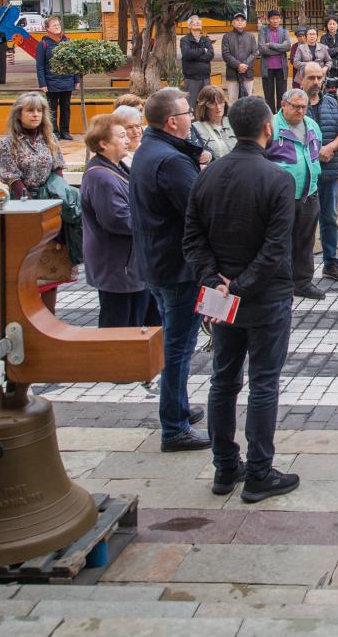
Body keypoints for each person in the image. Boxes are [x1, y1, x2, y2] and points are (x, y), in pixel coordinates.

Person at [183, 95, 301, 502]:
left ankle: (224, 466)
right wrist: (238, 285)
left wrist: (215, 282)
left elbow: (193, 239)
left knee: (223, 379)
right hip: (262, 295)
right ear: (267, 128)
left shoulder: (207, 174)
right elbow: (275, 248)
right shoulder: (277, 178)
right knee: (263, 383)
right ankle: (259, 472)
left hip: (221, 292)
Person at [129, 87, 208, 450]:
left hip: (156, 262)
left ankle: (177, 406)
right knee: (179, 346)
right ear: (173, 121)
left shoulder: (150, 149)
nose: (192, 117)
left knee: (174, 343)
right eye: (187, 113)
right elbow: (198, 211)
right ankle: (174, 427)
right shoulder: (171, 161)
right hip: (177, 267)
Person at [0, 91, 83, 271]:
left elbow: (57, 169)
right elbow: (11, 177)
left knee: (55, 264)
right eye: (30, 111)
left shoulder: (50, 139)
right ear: (19, 114)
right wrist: (32, 204)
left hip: (52, 202)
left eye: (39, 111)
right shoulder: (7, 144)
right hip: (24, 204)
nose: (35, 115)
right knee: (30, 263)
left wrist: (58, 199)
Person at [81, 114, 149, 328]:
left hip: (127, 265)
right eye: (121, 136)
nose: (127, 139)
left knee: (135, 321)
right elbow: (118, 220)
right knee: (119, 326)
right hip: (118, 266)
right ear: (103, 143)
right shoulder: (102, 177)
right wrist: (154, 222)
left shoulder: (116, 167)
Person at [266, 88, 328, 300]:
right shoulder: (270, 126)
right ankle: (280, 283)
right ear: (283, 105)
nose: (300, 111)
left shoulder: (311, 125)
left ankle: (303, 282)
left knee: (305, 240)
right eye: (295, 107)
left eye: (304, 107)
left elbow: (316, 150)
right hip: (281, 198)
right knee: (280, 241)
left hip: (309, 193)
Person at [301, 61, 338, 284]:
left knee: (330, 218)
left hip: (329, 172)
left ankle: (331, 263)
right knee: (303, 223)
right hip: (302, 177)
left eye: (319, 78)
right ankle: (301, 269)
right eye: (311, 78)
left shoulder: (332, 102)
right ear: (301, 79)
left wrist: (331, 147)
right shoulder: (293, 105)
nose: (316, 82)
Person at [34, 15, 78, 140]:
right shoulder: (43, 44)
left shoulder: (67, 41)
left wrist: (76, 79)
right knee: (52, 108)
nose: (57, 27)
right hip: (51, 81)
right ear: (47, 28)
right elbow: (40, 65)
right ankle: (54, 132)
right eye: (54, 25)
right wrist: (43, 83)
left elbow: (73, 62)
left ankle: (65, 131)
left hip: (67, 80)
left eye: (58, 25)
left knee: (66, 107)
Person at [219, 12, 260, 101]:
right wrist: (238, 65)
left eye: (242, 20)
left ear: (245, 23)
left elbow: (255, 52)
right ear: (232, 23)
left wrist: (244, 65)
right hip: (232, 73)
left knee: (247, 99)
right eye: (237, 20)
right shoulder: (227, 37)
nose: (240, 22)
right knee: (233, 99)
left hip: (247, 72)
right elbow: (226, 54)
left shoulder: (251, 36)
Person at [258, 10, 292, 111]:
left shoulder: (285, 32)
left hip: (281, 68)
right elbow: (262, 49)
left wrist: (272, 45)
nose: (275, 20)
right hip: (267, 68)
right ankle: (271, 115)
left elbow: (287, 47)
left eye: (277, 18)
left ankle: (281, 114)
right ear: (269, 20)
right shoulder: (263, 31)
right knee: (269, 94)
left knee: (282, 94)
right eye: (273, 18)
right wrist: (280, 50)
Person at [193, 85, 236, 160]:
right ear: (204, 106)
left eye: (220, 102)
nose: (218, 107)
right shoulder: (195, 128)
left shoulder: (234, 122)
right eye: (212, 104)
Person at [179, 15, 215, 106]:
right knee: (191, 105)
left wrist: (194, 56)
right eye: (195, 21)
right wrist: (203, 50)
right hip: (192, 78)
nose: (198, 22)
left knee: (206, 105)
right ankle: (192, 121)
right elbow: (187, 54)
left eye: (199, 21)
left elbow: (210, 55)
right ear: (189, 26)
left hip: (205, 77)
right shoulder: (185, 40)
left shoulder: (206, 40)